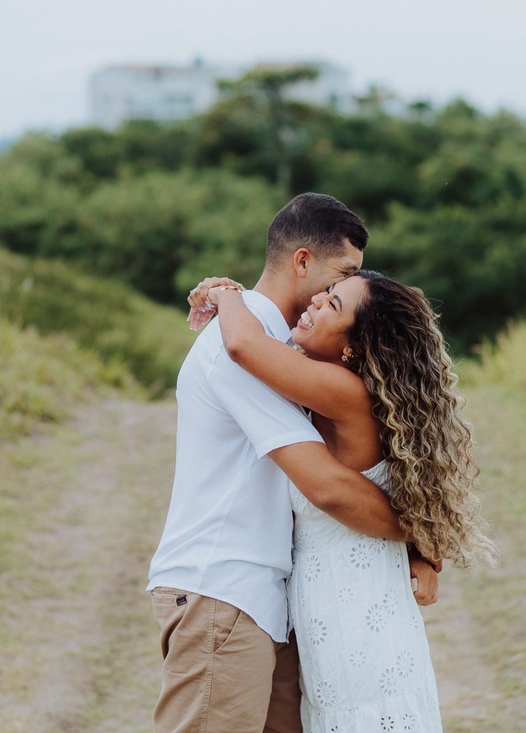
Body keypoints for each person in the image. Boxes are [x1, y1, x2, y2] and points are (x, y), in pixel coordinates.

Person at [146, 193, 440, 733]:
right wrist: (422, 534)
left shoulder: (280, 348)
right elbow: (326, 486)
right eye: (340, 277)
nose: (334, 293)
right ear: (302, 261)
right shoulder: (244, 340)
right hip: (223, 589)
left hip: (265, 602)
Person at [191, 269, 497, 733]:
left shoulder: (345, 391)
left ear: (354, 347)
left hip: (357, 612)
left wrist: (227, 294)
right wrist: (424, 552)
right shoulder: (339, 390)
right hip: (332, 607)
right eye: (326, 293)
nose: (315, 301)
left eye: (333, 305)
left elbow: (243, 347)